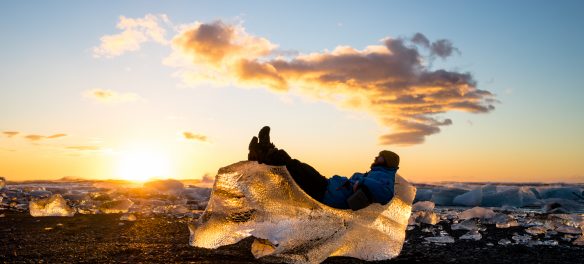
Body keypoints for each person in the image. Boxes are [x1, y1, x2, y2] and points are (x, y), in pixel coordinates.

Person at [248, 126, 399, 210]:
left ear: (387, 161)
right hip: (329, 187)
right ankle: (264, 152)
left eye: (380, 156)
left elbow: (386, 194)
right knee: (295, 169)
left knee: (296, 168)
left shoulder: (385, 177)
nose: (375, 158)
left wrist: (363, 182)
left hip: (328, 193)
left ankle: (265, 151)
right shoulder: (376, 174)